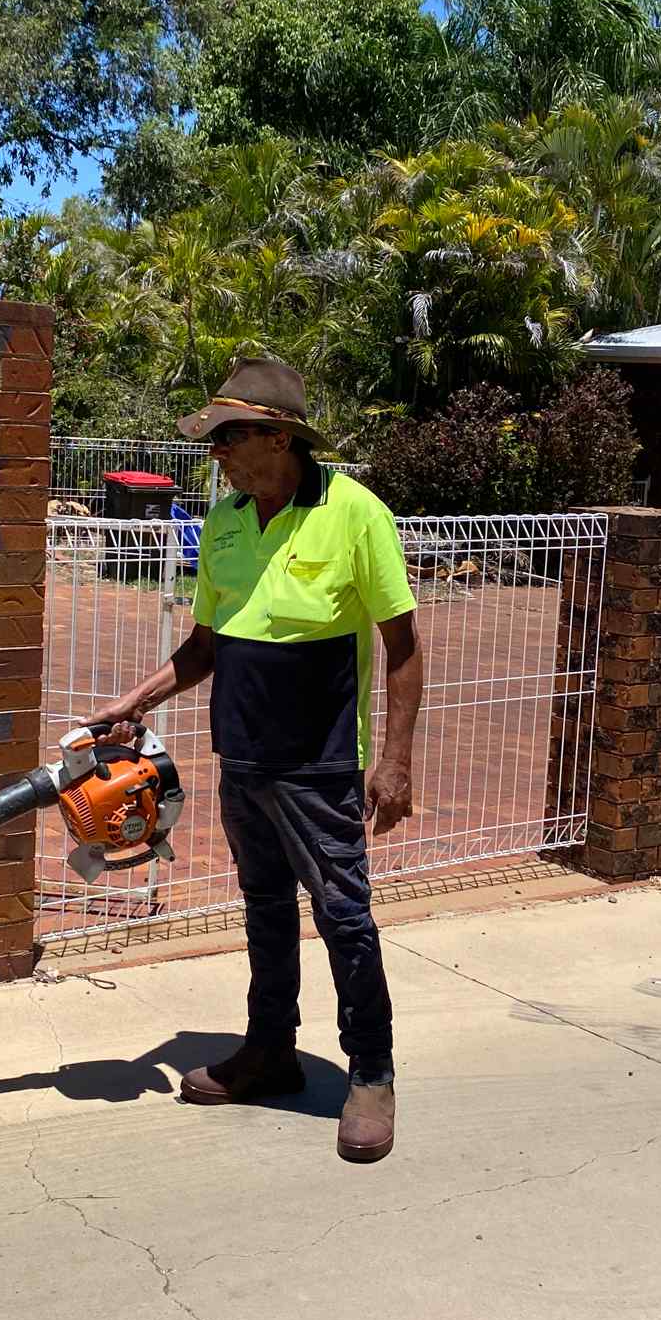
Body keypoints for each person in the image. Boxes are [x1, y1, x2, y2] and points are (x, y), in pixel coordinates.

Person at [86, 359, 423, 1164]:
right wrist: (138, 700)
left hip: (321, 761)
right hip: (242, 756)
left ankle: (371, 1072)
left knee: (343, 915)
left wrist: (396, 762)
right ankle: (270, 1048)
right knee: (264, 907)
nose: (217, 453)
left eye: (229, 436)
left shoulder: (355, 514)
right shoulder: (226, 522)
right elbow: (206, 645)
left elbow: (404, 647)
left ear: (280, 438)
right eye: (214, 439)